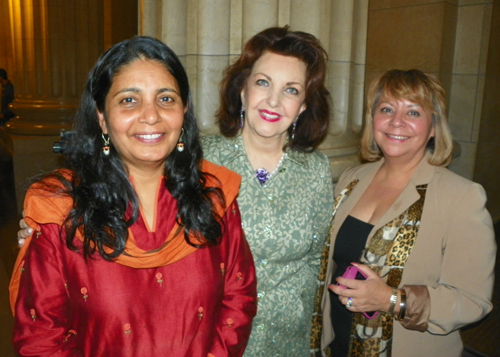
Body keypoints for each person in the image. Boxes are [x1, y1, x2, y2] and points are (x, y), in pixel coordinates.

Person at [16, 27, 335, 357]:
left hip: (282, 342)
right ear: (102, 118)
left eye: (165, 99)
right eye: (129, 100)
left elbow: (310, 266)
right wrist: (40, 232)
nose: (151, 115)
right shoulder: (64, 208)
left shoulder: (214, 189)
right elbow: (41, 333)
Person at [320, 69, 496, 356]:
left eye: (413, 113)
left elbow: (473, 301)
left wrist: (392, 299)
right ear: (373, 119)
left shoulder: (462, 197)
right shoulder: (352, 179)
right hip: (336, 343)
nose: (396, 122)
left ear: (434, 127)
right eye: (386, 109)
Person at [202, 26, 334, 356]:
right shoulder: (201, 161)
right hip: (216, 341)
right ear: (243, 91)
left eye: (291, 90)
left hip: (289, 341)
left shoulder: (315, 170)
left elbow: (317, 261)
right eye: (263, 83)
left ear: (302, 106)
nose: (274, 100)